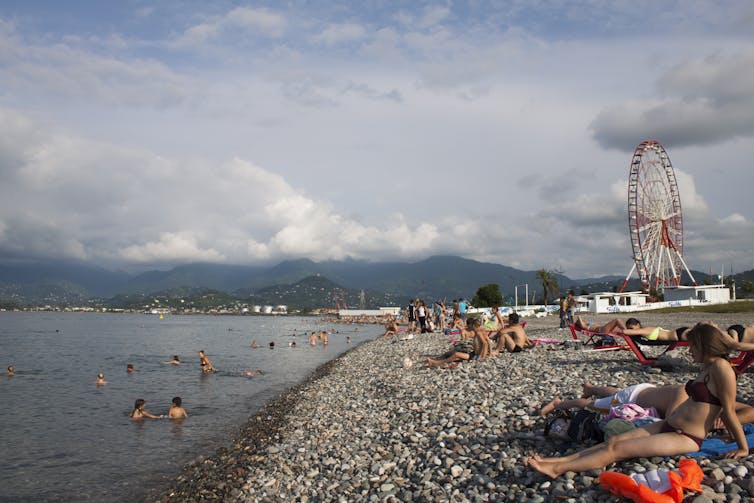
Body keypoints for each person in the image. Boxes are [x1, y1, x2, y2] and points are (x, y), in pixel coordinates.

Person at [527, 322, 750, 479]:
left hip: (686, 436)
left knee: (618, 450)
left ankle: (558, 470)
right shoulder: (708, 366)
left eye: (693, 346)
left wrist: (742, 448)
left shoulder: (722, 369)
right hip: (669, 424)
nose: (689, 351)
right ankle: (557, 462)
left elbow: (729, 411)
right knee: (611, 442)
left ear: (704, 345)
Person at [620, 318, 690, 342]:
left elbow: (625, 331)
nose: (631, 331)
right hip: (678, 334)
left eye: (632, 328)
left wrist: (619, 331)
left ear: (638, 325)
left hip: (678, 335)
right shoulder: (644, 331)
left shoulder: (644, 331)